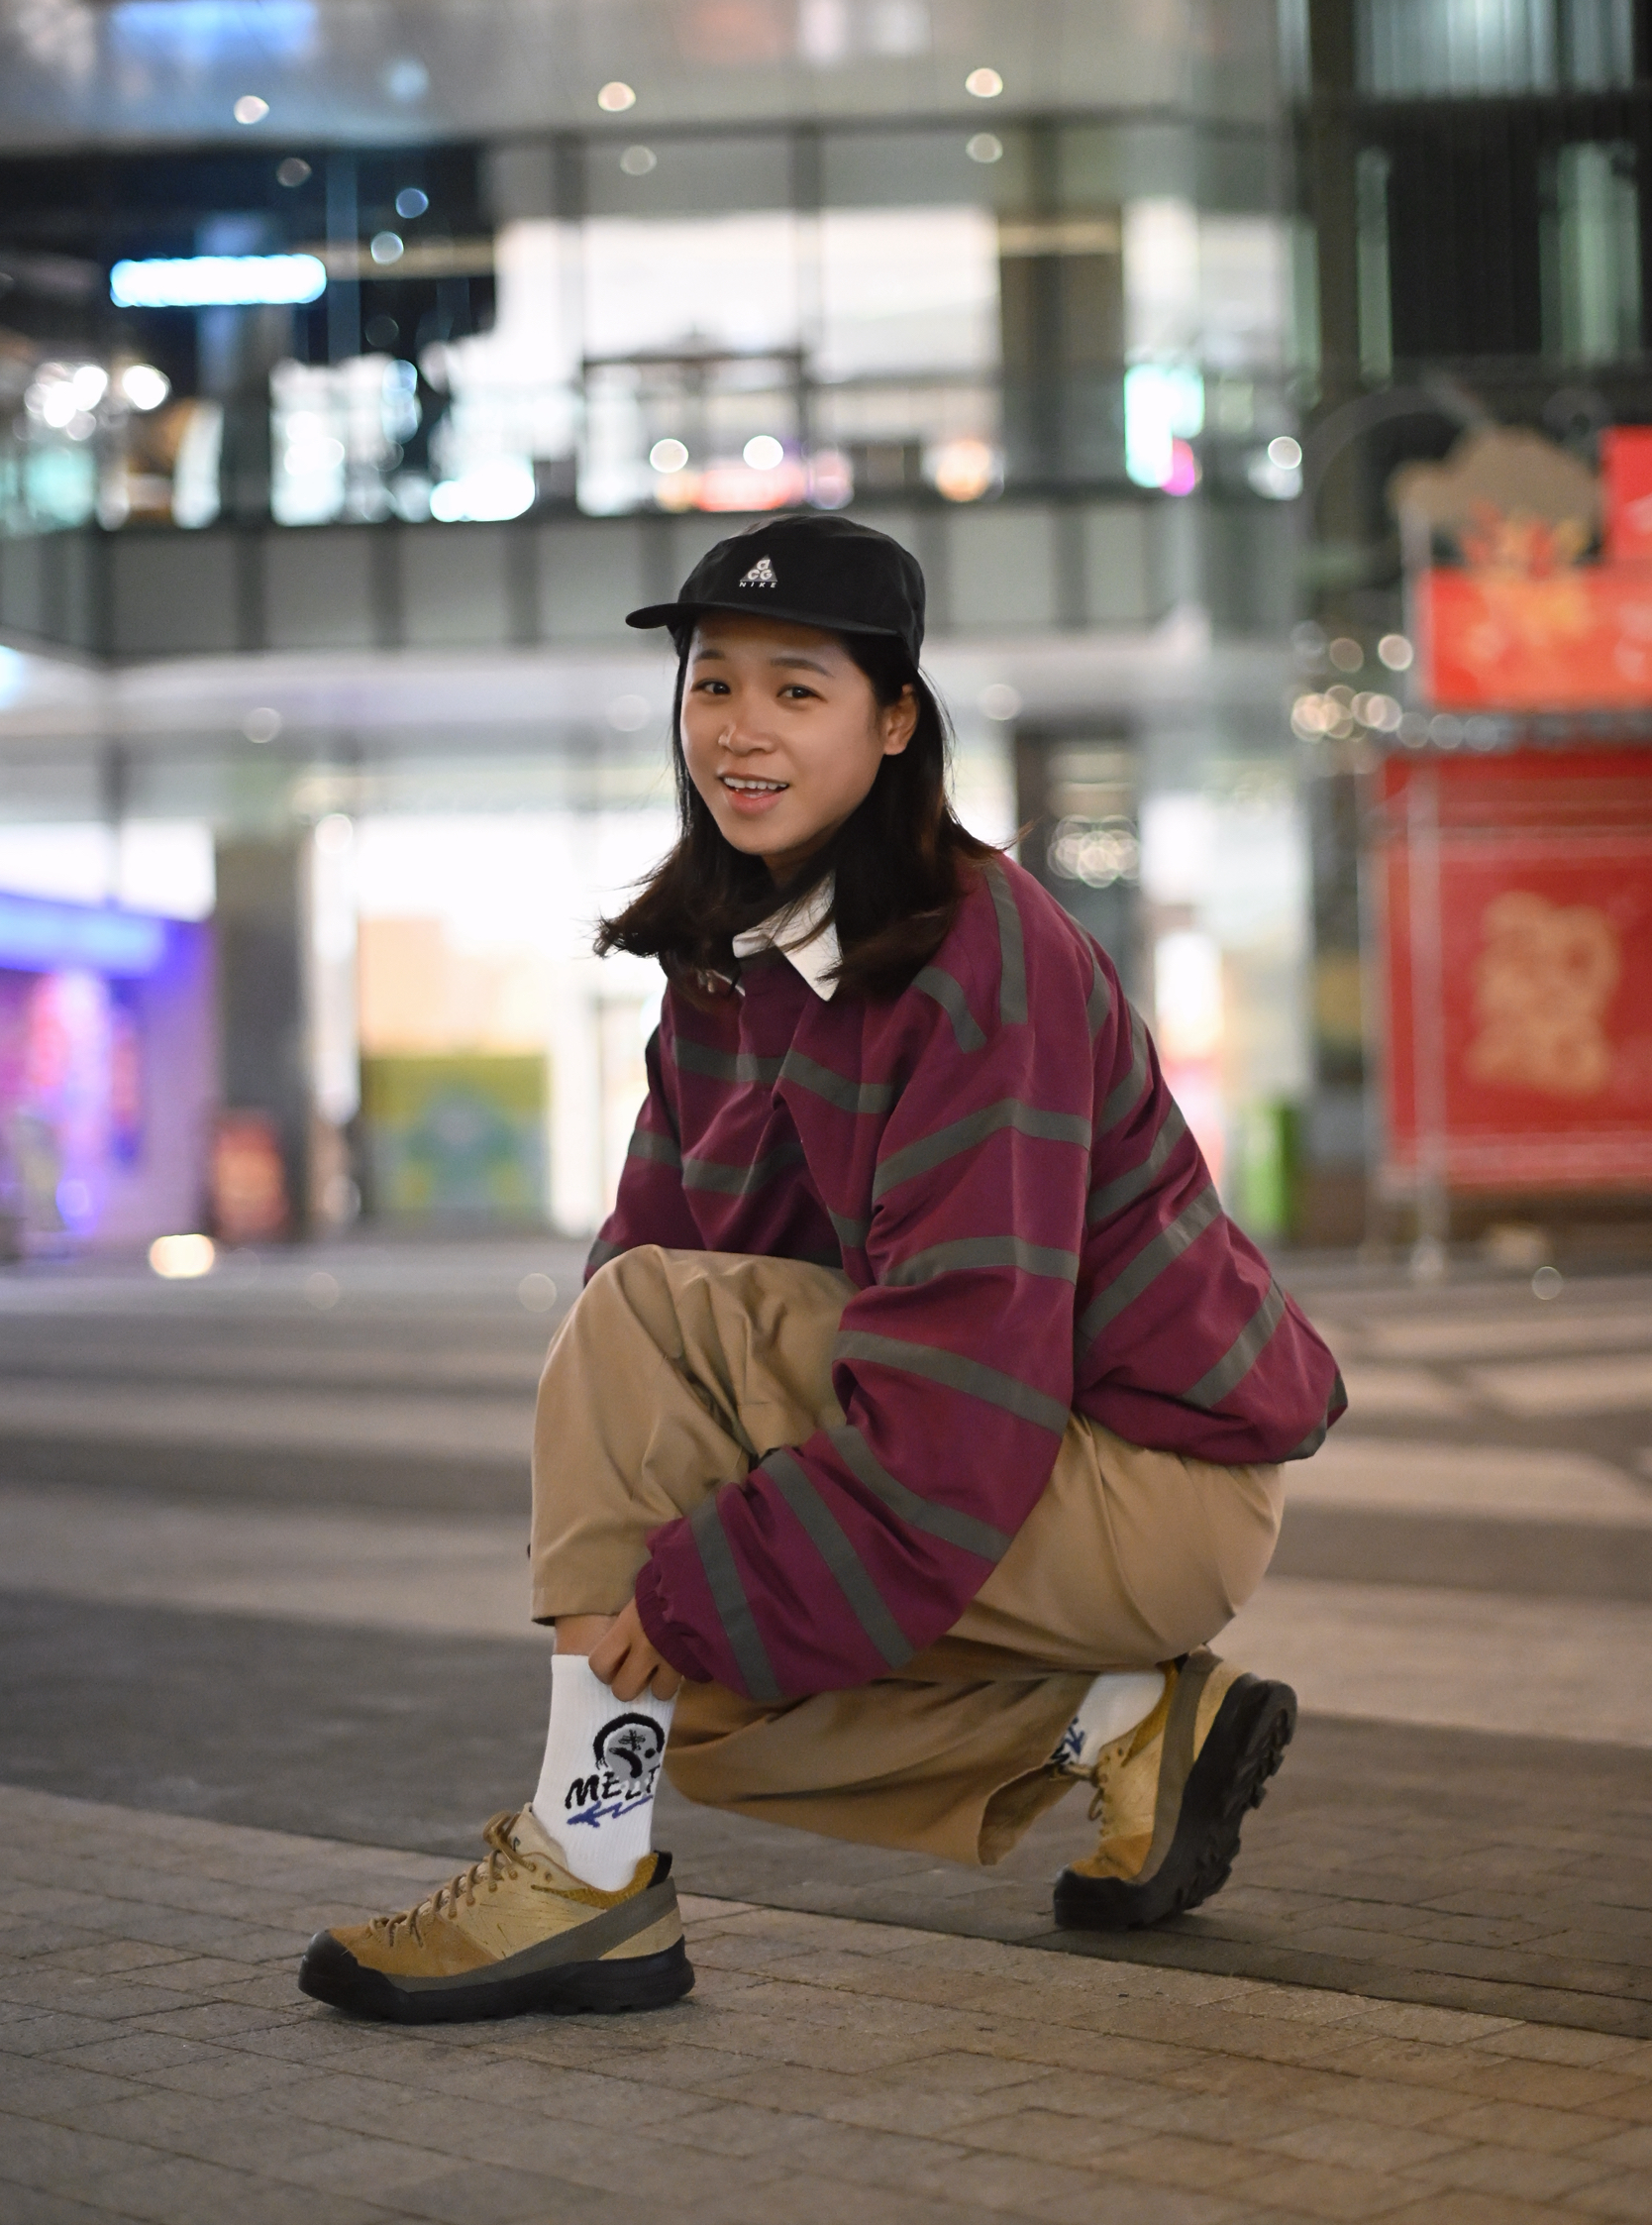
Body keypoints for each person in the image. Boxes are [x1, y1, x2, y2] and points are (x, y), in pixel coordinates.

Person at [299, 512, 1343, 2027]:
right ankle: (1120, 1725)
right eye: (714, 683)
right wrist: (646, 1575)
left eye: (798, 690)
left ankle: (584, 1878)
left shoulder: (983, 958)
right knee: (679, 1683)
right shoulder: (728, 961)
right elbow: (652, 1274)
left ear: (895, 720)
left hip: (1147, 1475)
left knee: (673, 1580)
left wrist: (694, 1577)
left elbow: (965, 1385)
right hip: (1003, 1444)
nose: (742, 728)